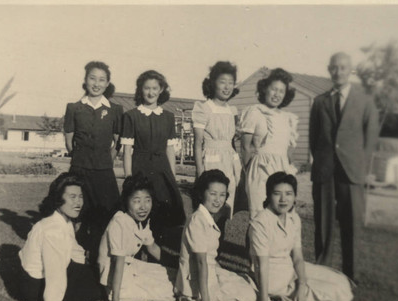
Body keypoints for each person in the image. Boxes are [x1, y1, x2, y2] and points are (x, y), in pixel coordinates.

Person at [309, 52, 379, 282]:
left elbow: (370, 140)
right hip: (325, 170)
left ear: (351, 71)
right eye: (335, 68)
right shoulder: (320, 101)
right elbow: (313, 138)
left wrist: (361, 166)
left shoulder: (365, 102)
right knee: (323, 221)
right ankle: (322, 270)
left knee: (352, 224)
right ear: (329, 70)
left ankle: (351, 273)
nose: (339, 72)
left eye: (343, 67)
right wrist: (322, 160)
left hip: (352, 171)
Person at [249, 172, 353, 301]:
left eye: (289, 194)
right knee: (336, 291)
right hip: (274, 278)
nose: (283, 199)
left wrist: (302, 283)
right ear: (268, 195)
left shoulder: (294, 218)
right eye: (277, 193)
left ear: (295, 196)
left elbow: (298, 257)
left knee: (341, 282)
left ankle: (304, 291)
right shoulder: (260, 223)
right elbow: (262, 265)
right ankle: (287, 297)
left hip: (290, 269)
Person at [121, 70, 186, 266]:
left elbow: (169, 149)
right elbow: (127, 151)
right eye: (147, 88)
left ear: (161, 90)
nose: (150, 92)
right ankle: (136, 258)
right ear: (141, 90)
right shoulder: (131, 116)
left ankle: (154, 258)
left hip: (161, 170)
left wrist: (172, 177)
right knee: (138, 213)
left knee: (160, 215)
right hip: (140, 167)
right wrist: (128, 177)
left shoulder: (168, 116)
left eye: (155, 88)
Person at [18, 173, 103, 301]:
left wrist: (91, 263)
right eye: (72, 197)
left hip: (44, 276)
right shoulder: (53, 230)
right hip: (36, 288)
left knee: (100, 274)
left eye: (80, 196)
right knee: (102, 286)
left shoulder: (63, 220)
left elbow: (74, 250)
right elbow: (54, 271)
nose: (78, 202)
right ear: (58, 199)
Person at [175, 170, 258, 301]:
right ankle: (194, 297)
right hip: (195, 282)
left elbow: (208, 257)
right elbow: (201, 262)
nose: (218, 200)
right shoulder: (198, 221)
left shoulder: (206, 217)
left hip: (206, 272)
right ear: (202, 194)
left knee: (245, 282)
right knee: (250, 296)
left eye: (222, 195)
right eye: (213, 194)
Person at [63, 61, 123, 264]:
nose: (96, 84)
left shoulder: (115, 109)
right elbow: (69, 139)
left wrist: (107, 159)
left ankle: (101, 255)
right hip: (79, 169)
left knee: (108, 213)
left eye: (101, 80)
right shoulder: (74, 107)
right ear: (85, 80)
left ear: (107, 84)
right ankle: (77, 256)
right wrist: (79, 158)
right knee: (77, 214)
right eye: (92, 78)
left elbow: (118, 140)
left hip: (103, 170)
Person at [98, 175, 176, 301]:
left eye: (147, 200)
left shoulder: (140, 221)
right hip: (114, 277)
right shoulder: (120, 222)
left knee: (170, 275)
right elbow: (118, 262)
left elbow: (152, 248)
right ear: (126, 201)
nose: (143, 207)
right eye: (137, 201)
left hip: (130, 268)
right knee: (167, 290)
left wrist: (179, 263)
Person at [239, 68, 299, 219]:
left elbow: (289, 151)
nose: (277, 94)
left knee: (279, 219)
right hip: (260, 171)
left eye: (281, 91)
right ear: (265, 89)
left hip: (282, 171)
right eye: (274, 89)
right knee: (259, 217)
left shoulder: (288, 118)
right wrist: (248, 173)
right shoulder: (254, 112)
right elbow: (245, 147)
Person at [192, 61, 241, 218]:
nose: (227, 87)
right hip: (211, 162)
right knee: (207, 209)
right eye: (222, 82)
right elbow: (198, 143)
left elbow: (233, 142)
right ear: (212, 83)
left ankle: (218, 242)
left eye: (230, 83)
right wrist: (200, 172)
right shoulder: (204, 108)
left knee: (225, 207)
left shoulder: (232, 111)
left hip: (229, 162)